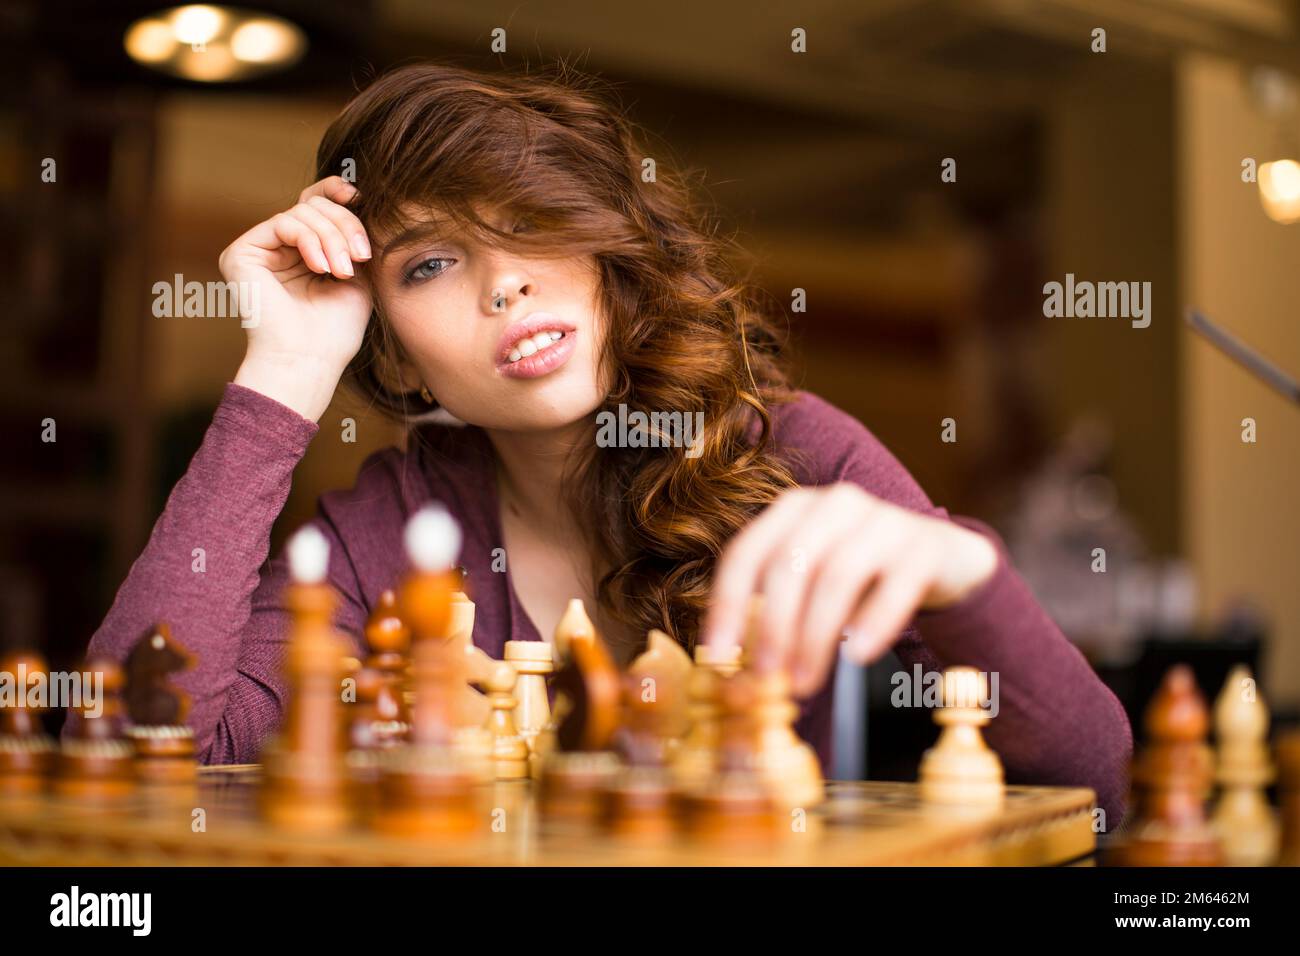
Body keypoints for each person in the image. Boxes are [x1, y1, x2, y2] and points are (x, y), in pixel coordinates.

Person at [79, 62, 1132, 822]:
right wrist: (287, 366)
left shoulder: (797, 454)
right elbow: (145, 753)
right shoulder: (385, 530)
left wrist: (960, 572)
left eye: (527, 222)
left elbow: (1099, 781)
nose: (504, 279)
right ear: (395, 355)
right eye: (429, 264)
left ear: (604, 252)